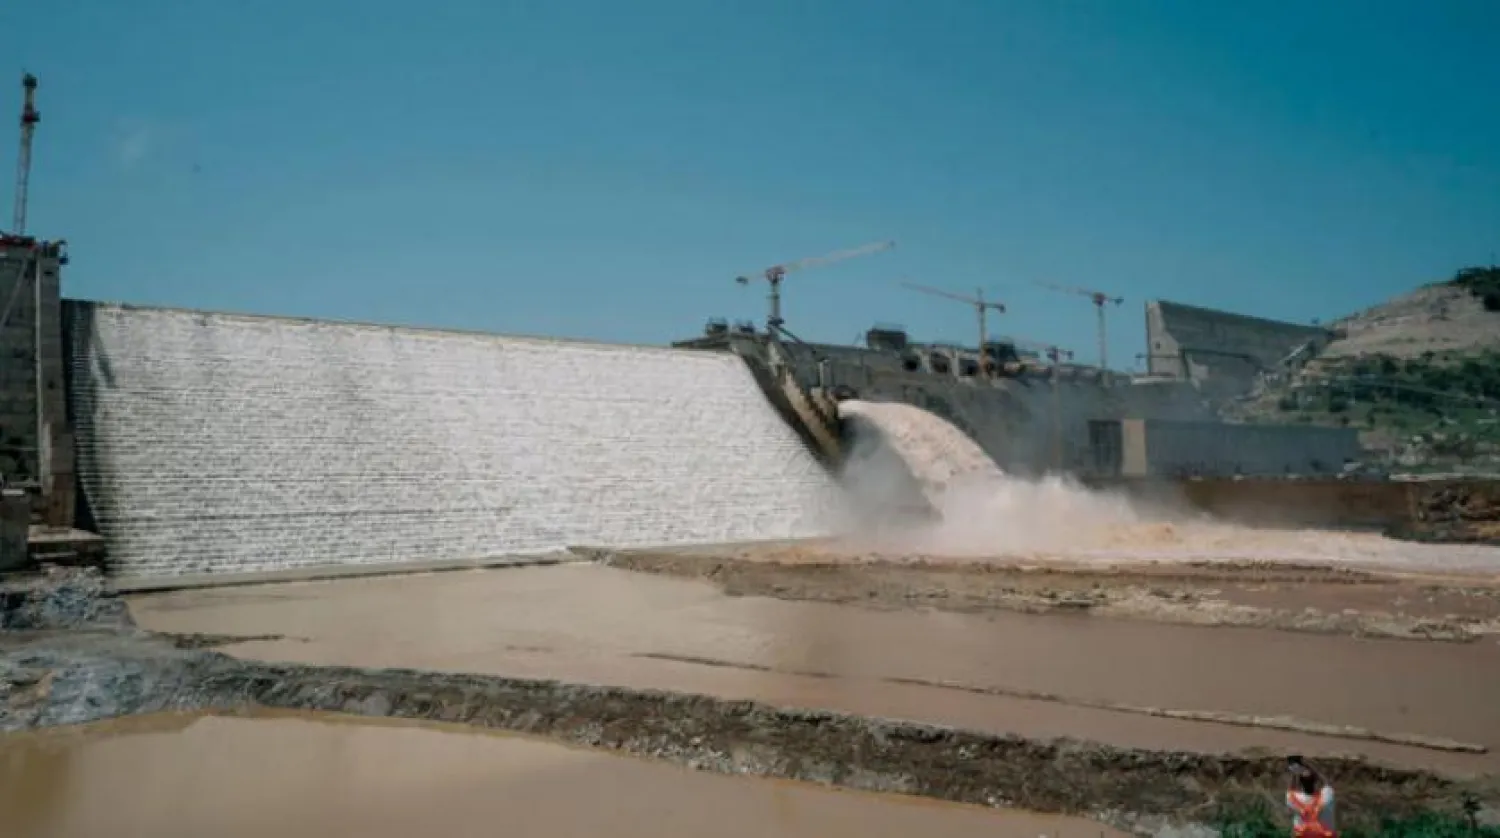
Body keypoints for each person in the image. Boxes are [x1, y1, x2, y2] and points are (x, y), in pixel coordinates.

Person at [1286, 756, 1337, 838]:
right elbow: (1328, 784)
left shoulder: (1294, 799)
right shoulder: (1326, 797)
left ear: (1300, 784)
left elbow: (1290, 790)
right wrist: (1309, 765)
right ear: (1316, 782)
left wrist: (1295, 772)